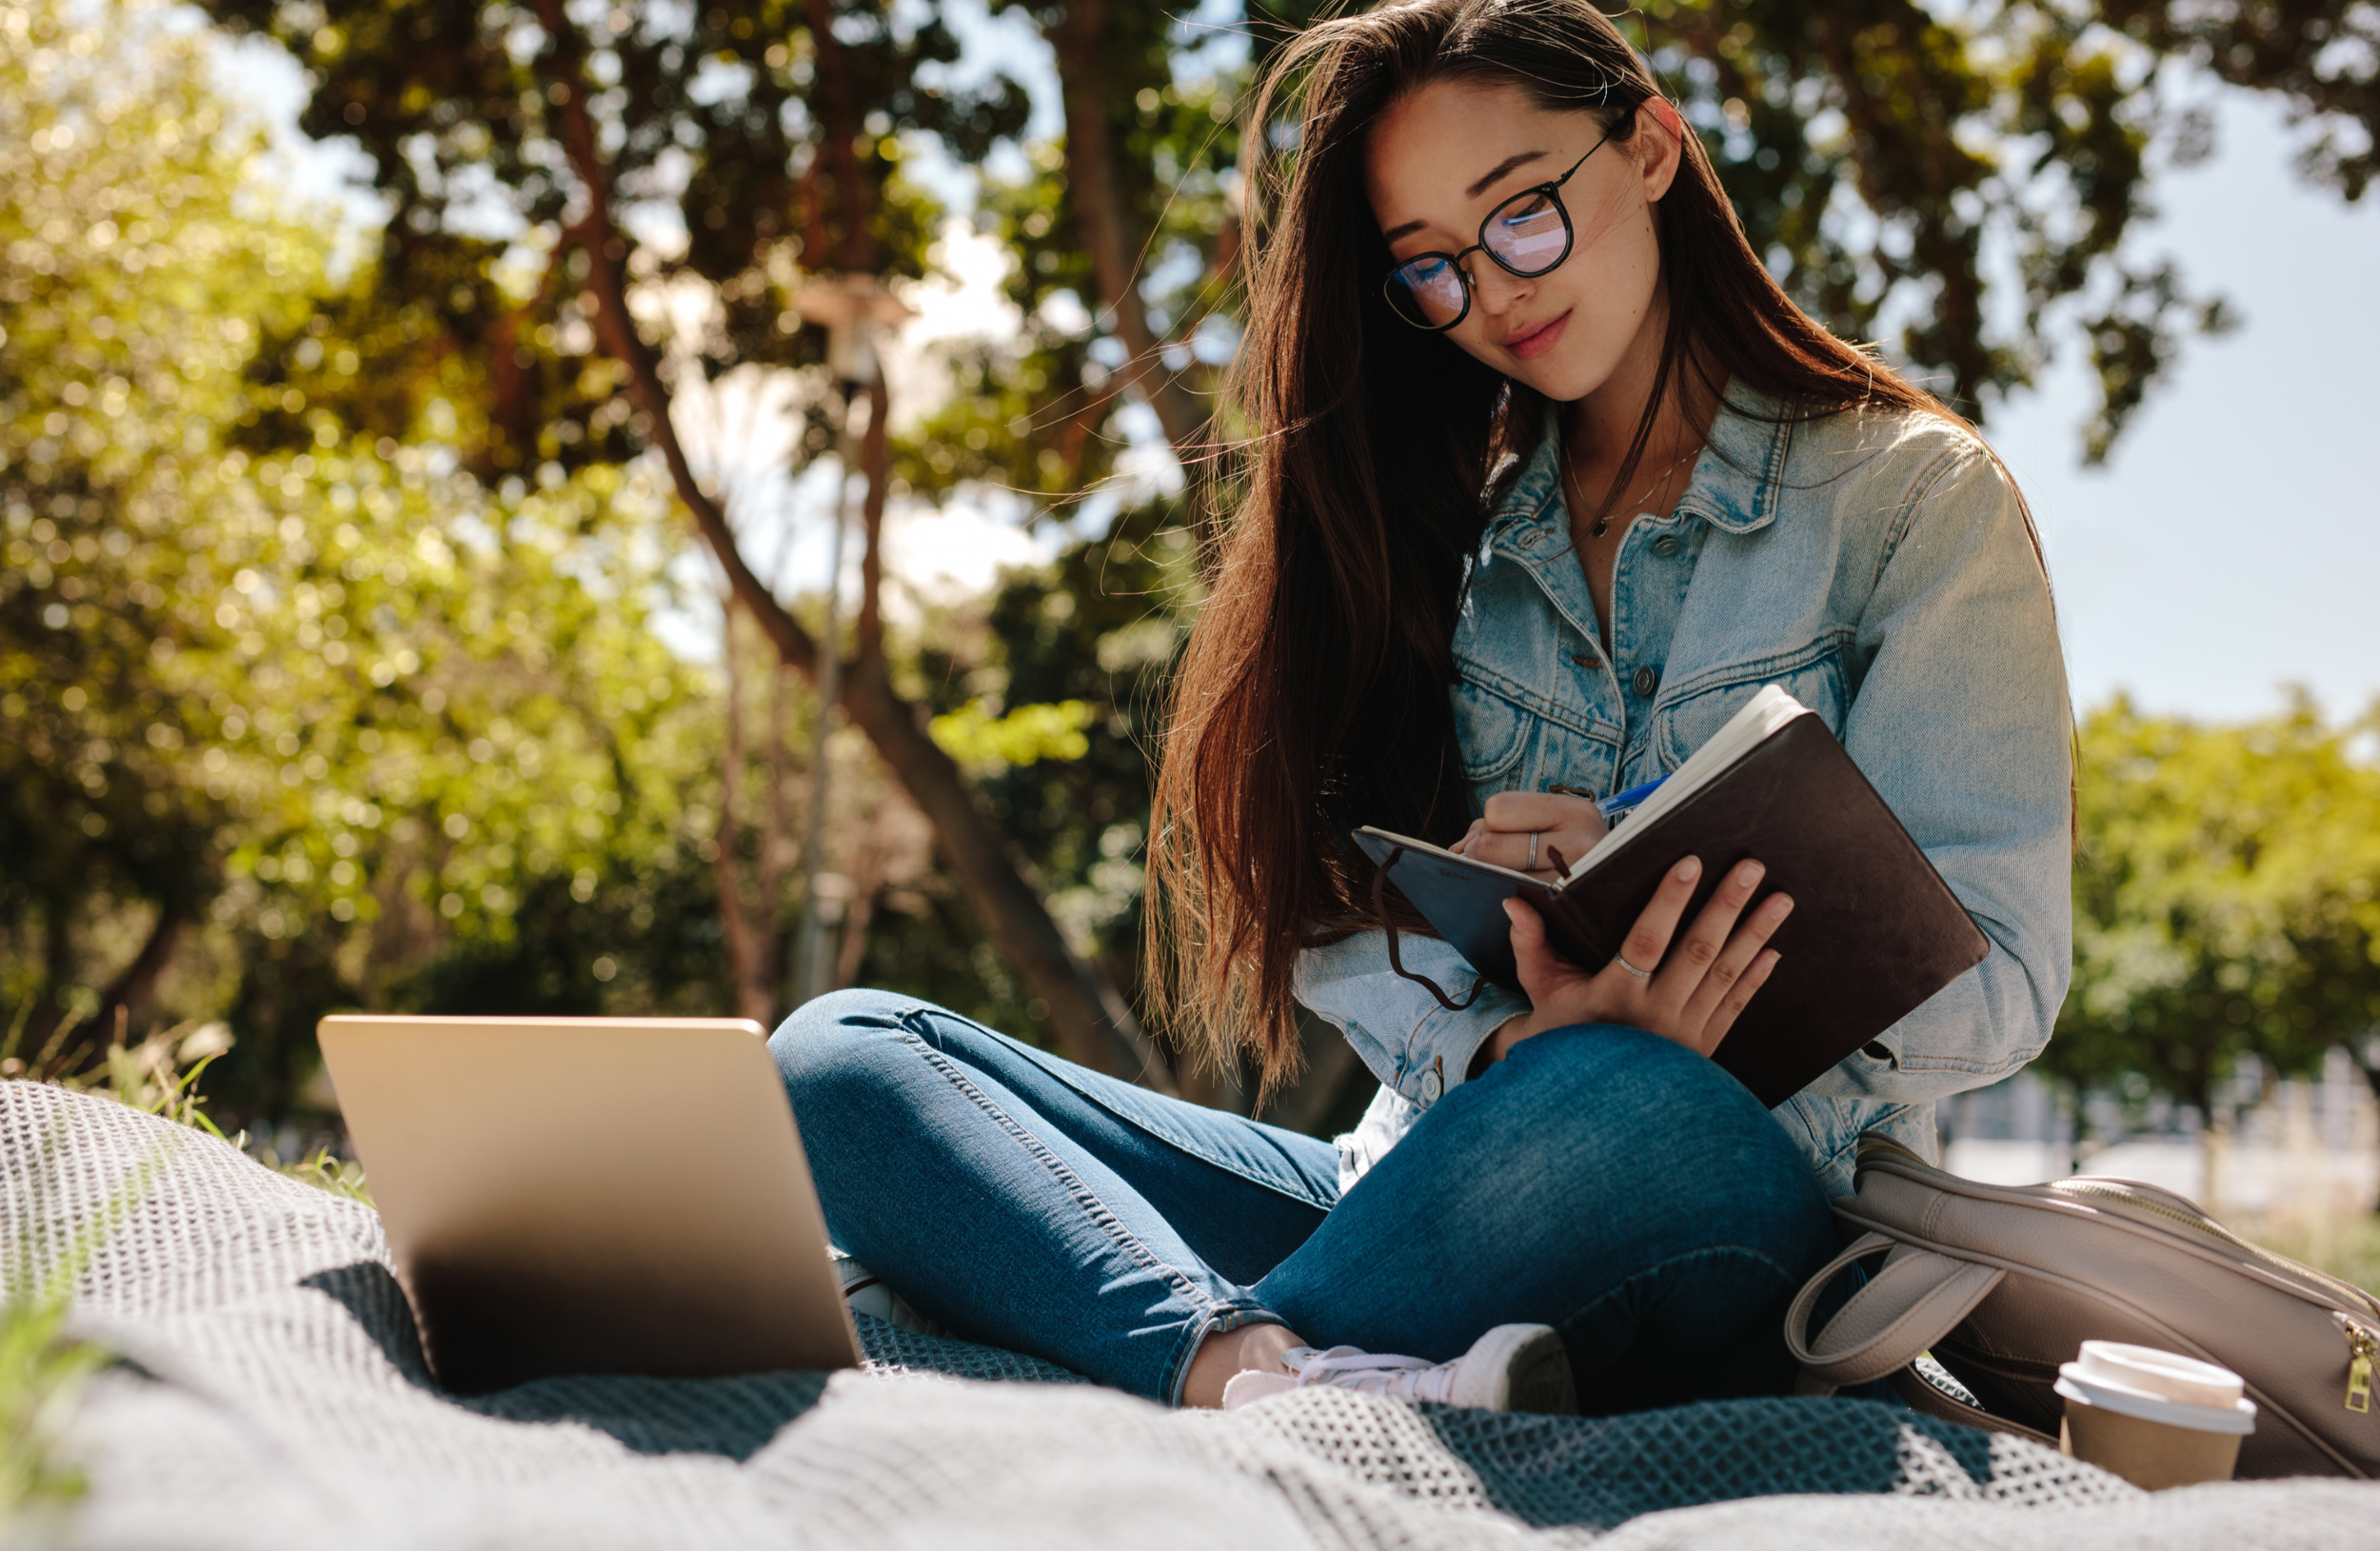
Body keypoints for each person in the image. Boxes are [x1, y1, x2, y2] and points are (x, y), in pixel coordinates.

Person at [771, 0, 2070, 1416]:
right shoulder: (1443, 540)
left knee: (1626, 1098)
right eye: (1432, 271)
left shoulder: (1913, 504)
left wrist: (1690, 1000)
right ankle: (1247, 1370)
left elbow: (2005, 968)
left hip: (1717, 1182)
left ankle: (1113, 1345)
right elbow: (1349, 928)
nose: (1495, 295)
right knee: (839, 1058)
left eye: (1520, 215)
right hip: (1402, 1181)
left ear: (1649, 147)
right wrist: (1513, 1039)